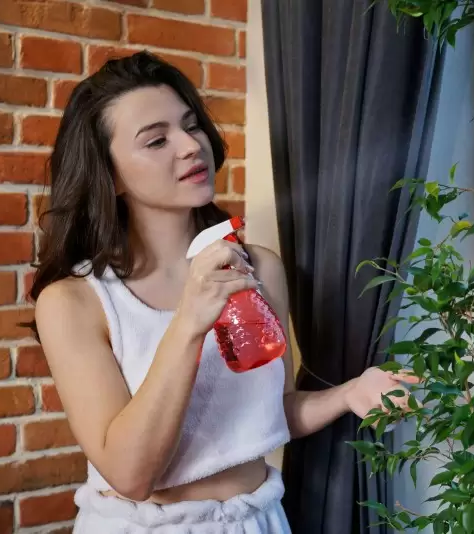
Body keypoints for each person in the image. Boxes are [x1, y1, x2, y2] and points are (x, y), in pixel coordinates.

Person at [28, 51, 417, 533]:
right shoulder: (75, 302)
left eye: (191, 125)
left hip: (257, 521)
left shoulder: (259, 269)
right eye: (157, 140)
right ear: (109, 176)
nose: (190, 145)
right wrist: (189, 323)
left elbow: (267, 413)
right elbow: (131, 475)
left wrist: (350, 394)